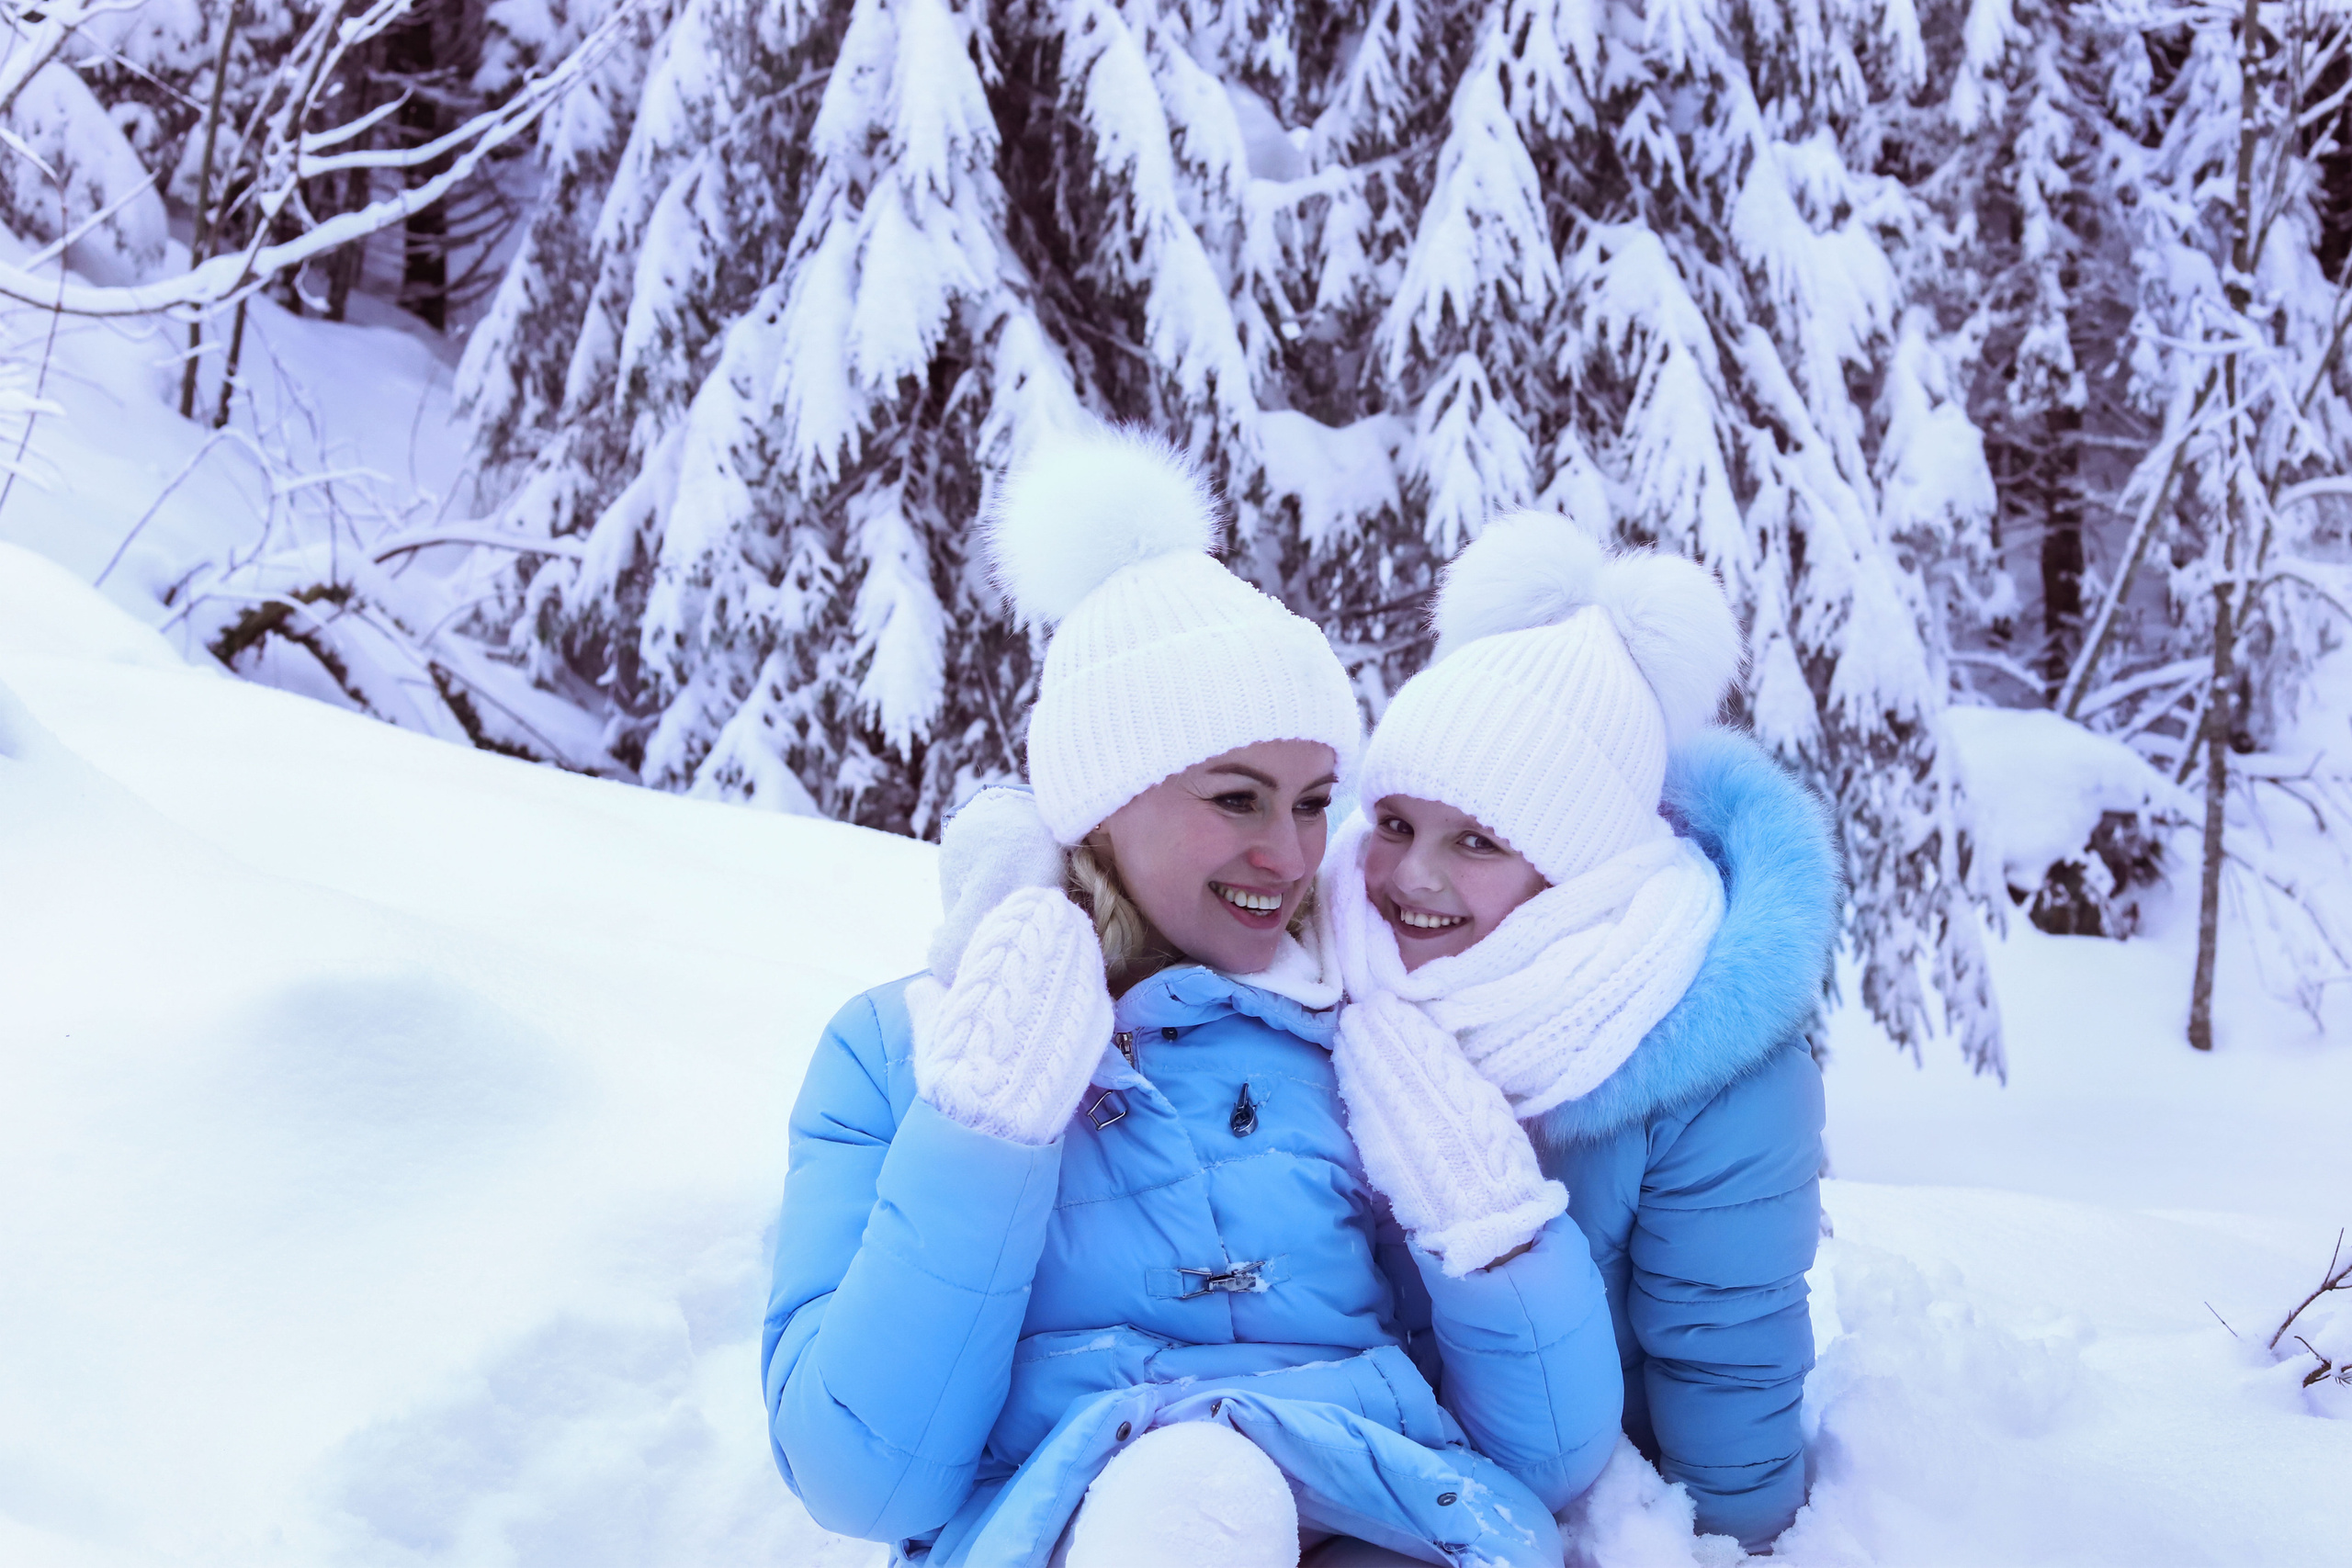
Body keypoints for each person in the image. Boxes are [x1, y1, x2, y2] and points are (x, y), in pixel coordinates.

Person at [760, 431, 1623, 1568]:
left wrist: (1488, 1225)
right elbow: (863, 1479)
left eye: (1315, 802)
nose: (1289, 853)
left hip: (1384, 1517)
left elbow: (1550, 1459)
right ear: (1105, 801)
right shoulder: (899, 1047)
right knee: (1185, 1495)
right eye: (1237, 799)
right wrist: (984, 1131)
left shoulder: (1368, 1039)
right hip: (1086, 1526)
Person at [1323, 513, 1842, 1553]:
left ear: (1582, 866)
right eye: (1394, 823)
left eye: (1477, 840)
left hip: (1588, 1493)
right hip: (1356, 1456)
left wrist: (1734, 1543)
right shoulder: (1324, 954)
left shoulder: (1707, 1061)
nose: (1409, 875)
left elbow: (1722, 1346)